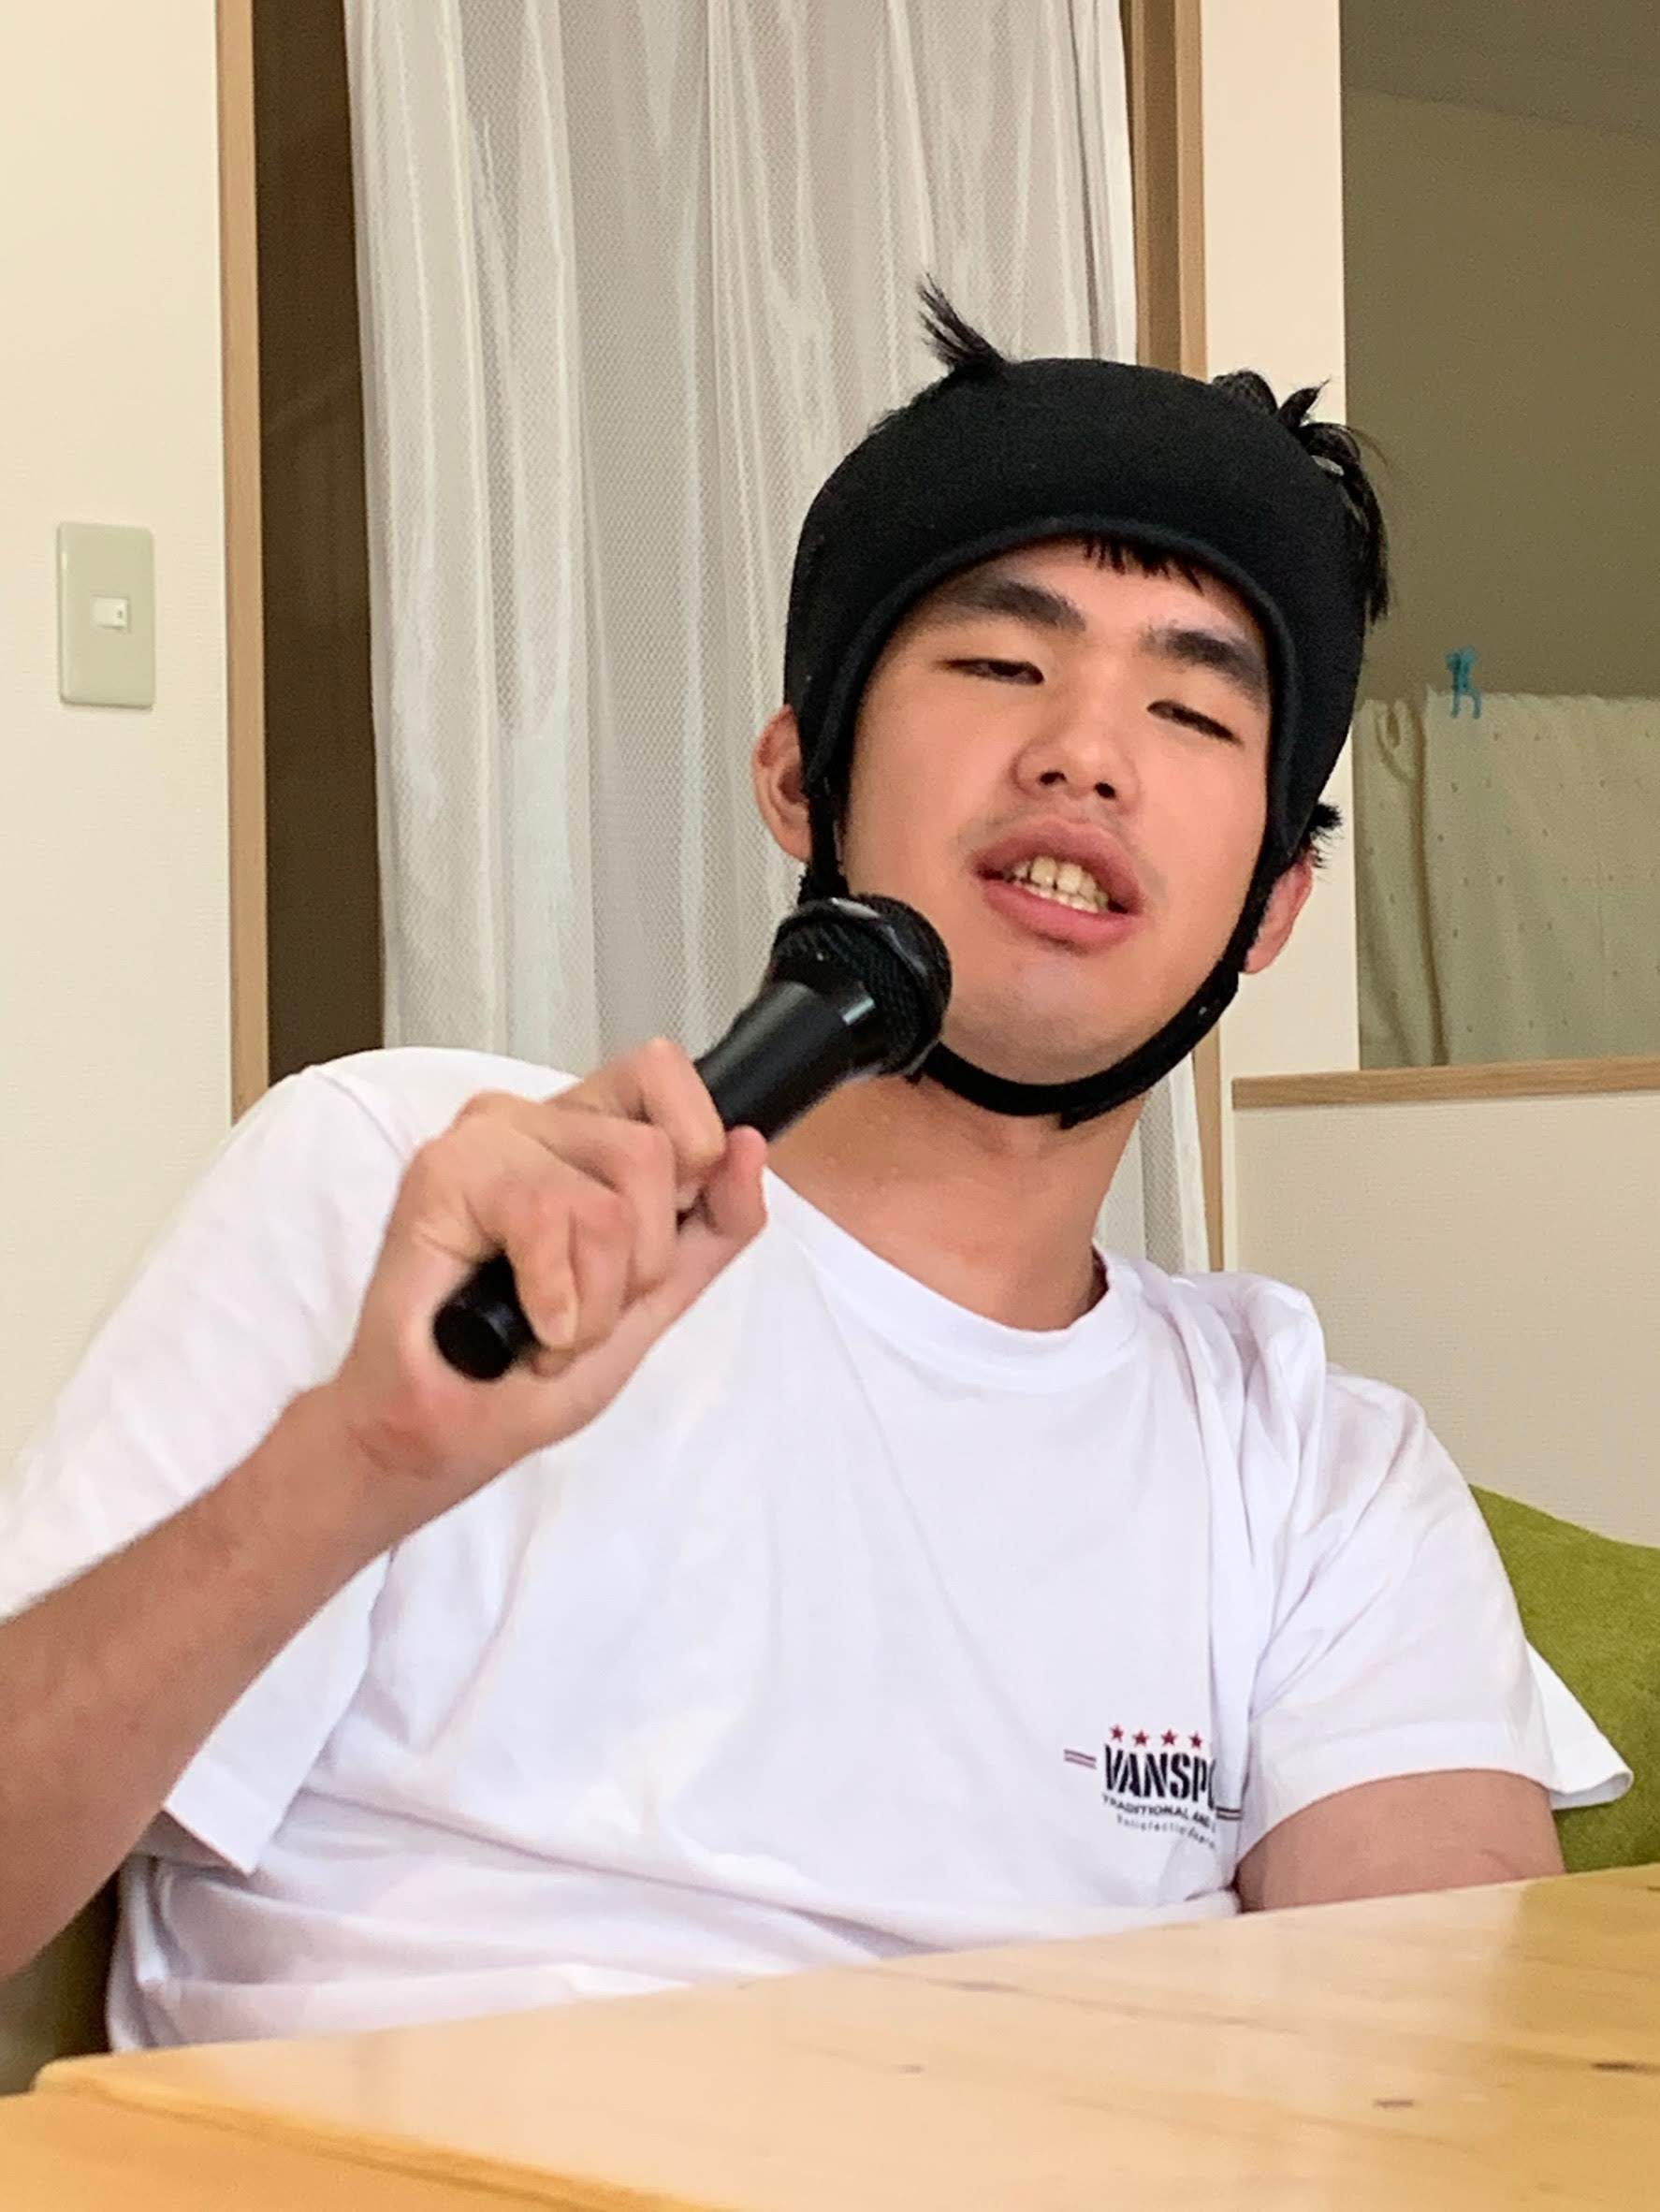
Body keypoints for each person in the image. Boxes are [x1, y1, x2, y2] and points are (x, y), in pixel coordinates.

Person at [0, 289, 1625, 2048]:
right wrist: (361, 1460)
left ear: (1273, 910)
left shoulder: (1312, 1468)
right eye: (1000, 665)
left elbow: (1455, 2081)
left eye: (1191, 712)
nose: (1083, 753)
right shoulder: (420, 1187)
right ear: (799, 775)